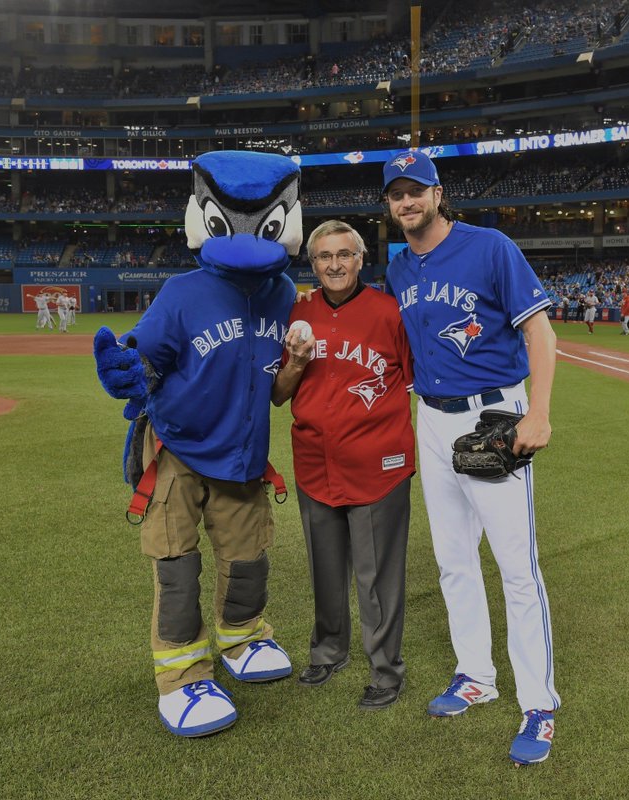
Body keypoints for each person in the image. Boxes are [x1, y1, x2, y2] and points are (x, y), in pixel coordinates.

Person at [93, 151, 303, 738]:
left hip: (242, 458)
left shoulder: (284, 294)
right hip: (178, 455)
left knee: (249, 561)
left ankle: (241, 639)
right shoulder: (184, 291)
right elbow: (145, 355)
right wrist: (126, 367)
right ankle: (183, 677)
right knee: (177, 570)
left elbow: (287, 372)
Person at [382, 150, 560, 766]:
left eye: (416, 191)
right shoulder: (399, 268)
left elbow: (541, 332)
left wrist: (536, 415)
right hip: (430, 416)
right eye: (396, 195)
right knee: (453, 558)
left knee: (516, 565)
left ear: (438, 193)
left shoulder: (490, 247)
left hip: (494, 415)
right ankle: (476, 675)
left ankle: (539, 703)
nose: (407, 202)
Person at [272, 220, 414, 711]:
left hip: (379, 464)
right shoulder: (296, 313)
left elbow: (412, 382)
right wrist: (294, 361)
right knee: (325, 569)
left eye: (344, 254)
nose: (334, 264)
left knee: (378, 577)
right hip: (315, 462)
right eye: (323, 256)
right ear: (312, 264)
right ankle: (329, 650)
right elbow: (278, 393)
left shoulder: (389, 311)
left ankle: (385, 671)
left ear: (359, 259)